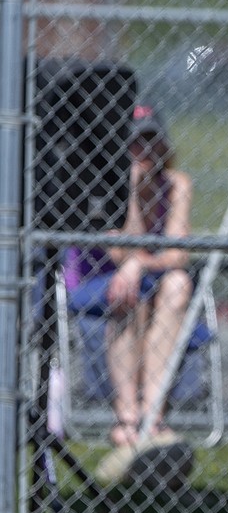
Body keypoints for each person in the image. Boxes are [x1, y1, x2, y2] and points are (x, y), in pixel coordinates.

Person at [65, 104, 194, 475]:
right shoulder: (102, 186)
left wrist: (139, 263)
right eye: (134, 144)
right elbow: (119, 252)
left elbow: (178, 254)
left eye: (151, 142)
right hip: (99, 282)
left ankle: (153, 410)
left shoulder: (177, 184)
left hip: (150, 277)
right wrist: (132, 190)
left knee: (178, 284)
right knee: (130, 288)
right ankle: (127, 411)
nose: (144, 152)